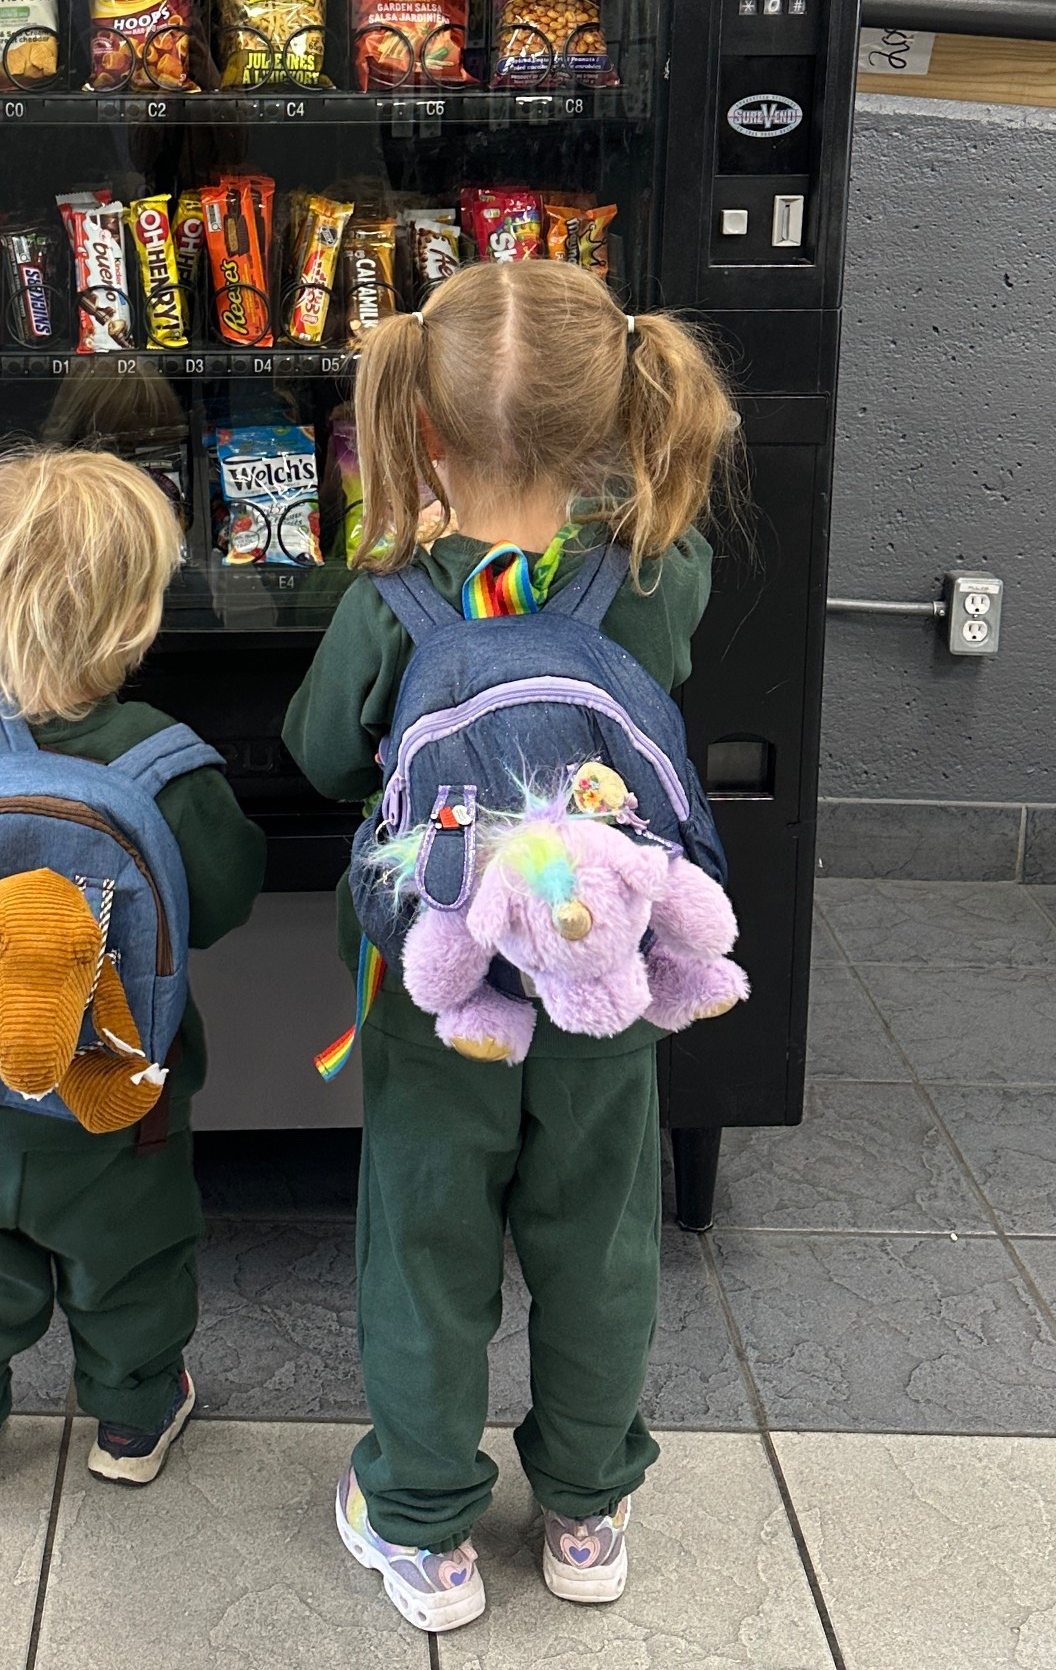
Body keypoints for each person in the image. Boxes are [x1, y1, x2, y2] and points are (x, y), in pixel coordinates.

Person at [283, 262, 738, 1631]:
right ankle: (586, 1510)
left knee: (427, 1242)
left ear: (419, 424)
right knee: (597, 1238)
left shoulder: (392, 594)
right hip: (608, 980)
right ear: (616, 415)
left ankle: (424, 1525)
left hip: (444, 983)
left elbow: (317, 759)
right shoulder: (661, 570)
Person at [0, 447, 266, 1505]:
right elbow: (222, 899)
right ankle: (133, 1418)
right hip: (119, 1105)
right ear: (138, 616)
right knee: (133, 1265)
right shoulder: (166, 761)